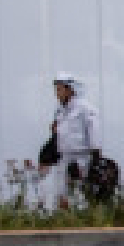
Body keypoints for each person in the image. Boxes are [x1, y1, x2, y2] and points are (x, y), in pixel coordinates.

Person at [46, 72, 101, 207]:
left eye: (59, 89)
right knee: (61, 196)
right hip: (64, 158)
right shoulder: (61, 110)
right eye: (56, 90)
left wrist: (95, 159)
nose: (57, 94)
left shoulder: (84, 108)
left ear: (70, 89)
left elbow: (93, 131)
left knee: (80, 195)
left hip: (82, 159)